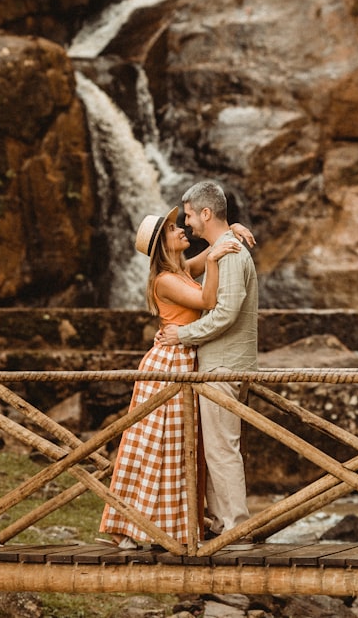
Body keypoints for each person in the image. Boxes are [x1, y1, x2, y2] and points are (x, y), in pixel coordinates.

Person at [98, 205, 254, 549]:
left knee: (178, 446)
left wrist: (233, 229)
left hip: (183, 360)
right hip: (169, 364)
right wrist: (213, 262)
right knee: (158, 445)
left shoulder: (181, 268)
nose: (181, 229)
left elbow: (215, 245)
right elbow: (208, 299)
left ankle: (166, 526)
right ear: (162, 246)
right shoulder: (166, 280)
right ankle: (135, 525)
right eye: (172, 229)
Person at [157, 181, 258, 543]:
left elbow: (226, 312)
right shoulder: (222, 247)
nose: (186, 224)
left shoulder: (228, 252)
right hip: (225, 363)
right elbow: (193, 273)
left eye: (188, 216)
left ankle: (235, 527)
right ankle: (222, 523)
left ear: (205, 213)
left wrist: (181, 335)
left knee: (222, 449)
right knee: (217, 448)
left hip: (222, 366)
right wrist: (230, 229)